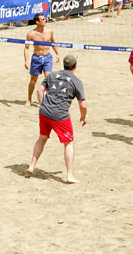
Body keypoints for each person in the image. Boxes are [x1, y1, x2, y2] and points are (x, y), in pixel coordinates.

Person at [26, 55, 86, 184]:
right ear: (75, 66)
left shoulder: (52, 75)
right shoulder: (76, 81)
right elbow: (83, 104)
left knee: (42, 138)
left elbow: (39, 90)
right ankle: (69, 175)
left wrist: (42, 105)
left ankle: (32, 165)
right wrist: (83, 117)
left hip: (44, 112)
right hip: (60, 115)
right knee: (68, 143)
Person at [24, 13, 59, 106]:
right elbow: (26, 47)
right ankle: (29, 99)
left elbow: (52, 42)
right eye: (43, 19)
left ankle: (48, 100)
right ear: (37, 22)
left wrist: (57, 53)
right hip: (36, 58)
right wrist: (26, 61)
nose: (45, 20)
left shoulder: (49, 31)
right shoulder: (31, 34)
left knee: (48, 79)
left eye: (45, 19)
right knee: (33, 81)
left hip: (47, 57)